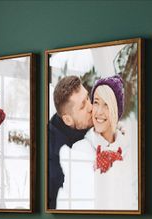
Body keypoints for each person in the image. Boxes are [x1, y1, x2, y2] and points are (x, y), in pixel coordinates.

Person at [57, 75, 137, 210]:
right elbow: (76, 205)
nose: (98, 111)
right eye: (96, 102)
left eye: (106, 104)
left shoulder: (130, 150)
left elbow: (136, 201)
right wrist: (101, 173)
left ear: (116, 110)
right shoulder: (79, 150)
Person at [48, 76, 93, 209]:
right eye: (83, 106)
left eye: (88, 98)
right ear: (67, 120)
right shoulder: (54, 160)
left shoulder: (84, 124)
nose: (91, 107)